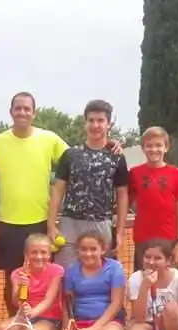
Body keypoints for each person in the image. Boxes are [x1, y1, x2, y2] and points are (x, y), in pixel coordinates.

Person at [0, 92, 68, 319]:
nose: (22, 112)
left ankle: (42, 324)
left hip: (41, 222)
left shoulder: (49, 139)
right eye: (18, 108)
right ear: (11, 112)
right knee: (11, 279)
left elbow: (74, 159)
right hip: (8, 222)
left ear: (34, 112)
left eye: (26, 108)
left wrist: (111, 144)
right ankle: (18, 325)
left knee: (44, 277)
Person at [48, 99, 129, 269]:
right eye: (91, 120)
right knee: (65, 276)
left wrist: (120, 232)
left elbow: (122, 196)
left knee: (100, 278)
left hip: (102, 224)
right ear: (85, 123)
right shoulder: (70, 155)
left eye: (100, 121)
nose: (95, 125)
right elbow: (57, 191)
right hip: (70, 224)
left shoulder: (117, 157)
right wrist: (51, 226)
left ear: (109, 124)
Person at [62, 231, 126, 330]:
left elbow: (116, 303)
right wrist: (66, 329)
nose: (88, 253)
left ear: (103, 250)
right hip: (81, 323)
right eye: (83, 249)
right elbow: (68, 303)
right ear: (78, 250)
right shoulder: (71, 271)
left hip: (109, 323)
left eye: (93, 249)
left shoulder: (114, 268)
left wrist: (94, 329)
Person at [0, 234, 65, 330]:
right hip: (27, 317)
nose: (39, 256)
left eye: (43, 252)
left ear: (50, 253)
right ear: (26, 254)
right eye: (34, 252)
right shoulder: (18, 273)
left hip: (51, 319)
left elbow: (49, 300)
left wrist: (33, 312)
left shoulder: (57, 271)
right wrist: (24, 287)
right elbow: (16, 302)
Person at [128, 126, 178, 273]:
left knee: (170, 284)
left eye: (158, 145)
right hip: (143, 239)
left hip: (169, 239)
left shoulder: (176, 174)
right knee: (144, 282)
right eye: (149, 145)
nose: (154, 149)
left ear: (166, 147)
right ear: (143, 148)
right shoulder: (134, 173)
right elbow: (128, 200)